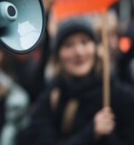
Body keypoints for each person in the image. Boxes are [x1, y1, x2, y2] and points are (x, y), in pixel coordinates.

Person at [21, 16, 134, 144]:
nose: (79, 52)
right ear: (58, 55)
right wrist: (91, 133)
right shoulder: (51, 100)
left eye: (85, 42)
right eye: (69, 45)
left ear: (96, 49)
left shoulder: (124, 97)